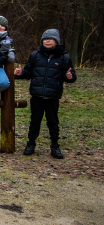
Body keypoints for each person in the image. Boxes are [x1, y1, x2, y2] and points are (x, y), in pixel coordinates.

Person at [14, 29, 77, 159]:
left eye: (51, 39)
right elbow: (28, 73)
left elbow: (70, 76)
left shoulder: (64, 58)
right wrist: (21, 73)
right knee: (34, 121)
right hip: (36, 95)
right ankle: (30, 144)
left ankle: (55, 146)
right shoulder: (35, 55)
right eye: (45, 39)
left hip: (53, 96)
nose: (47, 41)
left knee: (53, 122)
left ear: (57, 41)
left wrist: (70, 76)